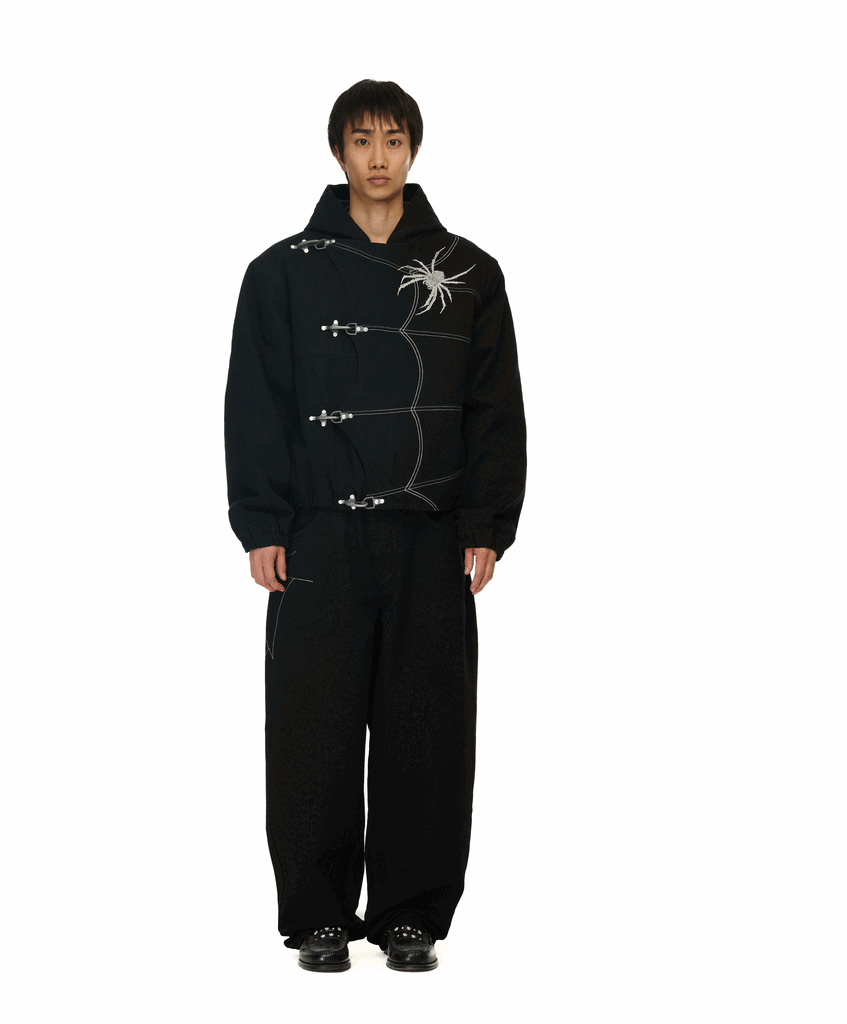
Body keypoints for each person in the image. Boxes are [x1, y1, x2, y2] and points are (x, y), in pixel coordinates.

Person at [223, 79, 527, 972]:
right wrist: (262, 522)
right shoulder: (281, 271)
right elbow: (256, 403)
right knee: (310, 727)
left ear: (414, 149)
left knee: (426, 730)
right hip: (318, 535)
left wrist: (486, 522)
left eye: (394, 139)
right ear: (339, 151)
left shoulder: (470, 272)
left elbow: (494, 407)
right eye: (362, 140)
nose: (379, 156)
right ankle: (317, 913)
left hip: (433, 536)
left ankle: (411, 914)